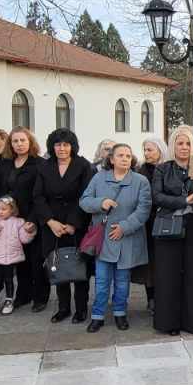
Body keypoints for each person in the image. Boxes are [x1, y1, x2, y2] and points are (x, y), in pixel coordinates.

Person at [80, 143, 153, 331]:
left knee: (122, 283)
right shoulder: (99, 178)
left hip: (127, 239)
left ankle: (120, 313)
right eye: (120, 155)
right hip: (104, 240)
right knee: (101, 282)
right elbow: (84, 201)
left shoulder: (141, 181)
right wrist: (100, 203)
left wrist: (124, 227)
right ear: (111, 159)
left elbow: (144, 210)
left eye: (128, 156)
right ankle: (97, 315)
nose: (125, 159)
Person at [152, 125, 193, 335]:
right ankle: (170, 323)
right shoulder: (162, 169)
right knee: (169, 275)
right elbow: (156, 197)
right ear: (173, 146)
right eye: (180, 143)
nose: (184, 147)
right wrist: (182, 201)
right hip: (169, 226)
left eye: (187, 143)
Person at [33, 128, 94, 324]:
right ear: (52, 147)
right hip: (52, 225)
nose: (61, 148)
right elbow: (38, 197)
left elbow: (85, 195)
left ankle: (81, 309)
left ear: (72, 146)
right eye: (58, 144)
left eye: (66, 144)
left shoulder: (83, 166)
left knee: (79, 268)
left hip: (76, 224)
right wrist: (50, 221)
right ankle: (63, 308)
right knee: (58, 266)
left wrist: (73, 223)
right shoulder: (44, 167)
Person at [0, 127, 43, 311]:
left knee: (36, 260)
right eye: (15, 141)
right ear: (10, 144)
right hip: (12, 219)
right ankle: (23, 295)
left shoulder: (39, 164)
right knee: (19, 259)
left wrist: (33, 219)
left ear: (30, 142)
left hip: (33, 217)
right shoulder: (5, 164)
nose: (19, 144)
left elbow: (40, 194)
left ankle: (40, 297)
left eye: (23, 140)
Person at [138, 137, 167, 312]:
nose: (146, 153)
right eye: (145, 150)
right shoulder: (141, 171)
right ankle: (151, 298)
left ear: (160, 150)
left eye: (150, 149)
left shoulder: (168, 168)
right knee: (150, 262)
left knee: (165, 260)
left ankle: (165, 296)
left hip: (166, 219)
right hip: (148, 222)